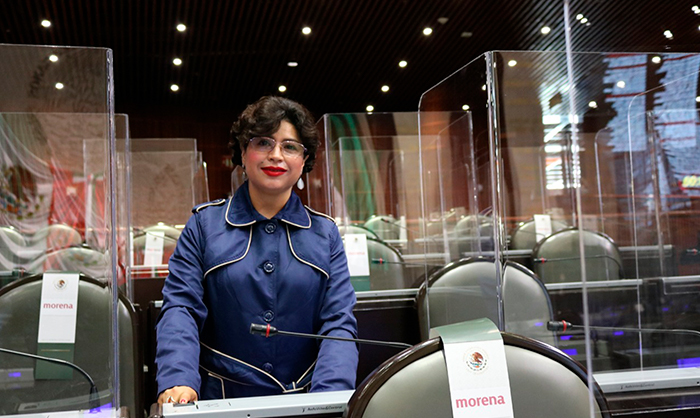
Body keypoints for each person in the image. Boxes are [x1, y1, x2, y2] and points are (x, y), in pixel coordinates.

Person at [155, 96, 359, 403]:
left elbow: (338, 323)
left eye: (290, 147)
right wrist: (178, 379)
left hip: (305, 401)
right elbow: (180, 308)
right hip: (221, 401)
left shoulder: (325, 233)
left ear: (304, 160)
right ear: (243, 151)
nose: (276, 155)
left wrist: (329, 399)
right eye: (263, 143)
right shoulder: (203, 225)